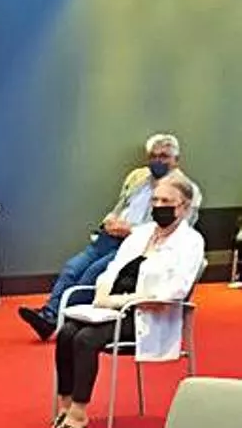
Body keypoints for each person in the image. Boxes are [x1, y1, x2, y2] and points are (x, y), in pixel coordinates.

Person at [52, 173, 204, 428]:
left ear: (185, 206)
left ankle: (78, 414)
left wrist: (129, 300)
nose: (158, 206)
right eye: (155, 200)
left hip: (148, 315)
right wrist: (104, 294)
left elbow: (177, 289)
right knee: (67, 332)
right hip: (113, 309)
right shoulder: (140, 234)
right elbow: (112, 269)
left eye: (166, 201)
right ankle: (65, 405)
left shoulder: (191, 242)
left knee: (86, 338)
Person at [19, 133, 202, 341]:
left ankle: (63, 320)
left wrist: (130, 230)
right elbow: (120, 207)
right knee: (73, 267)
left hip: (136, 244)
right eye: (153, 156)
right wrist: (110, 220)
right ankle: (49, 312)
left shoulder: (187, 191)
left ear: (176, 159)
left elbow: (175, 228)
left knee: (92, 273)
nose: (157, 161)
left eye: (164, 156)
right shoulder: (140, 181)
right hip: (110, 236)